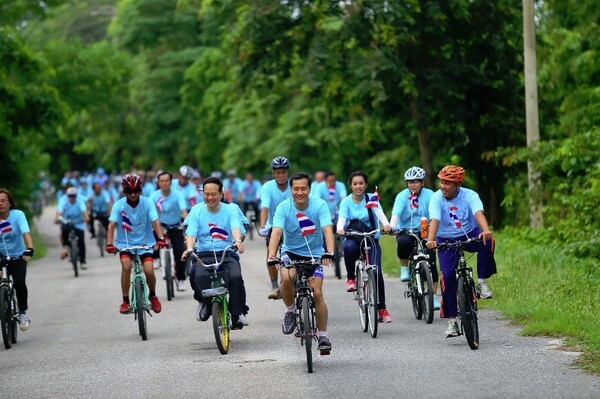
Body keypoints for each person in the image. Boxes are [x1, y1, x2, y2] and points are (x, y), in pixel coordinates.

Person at [425, 165, 496, 338]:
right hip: (445, 238)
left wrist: (485, 230)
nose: (442, 186)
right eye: (441, 182)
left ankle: (481, 282)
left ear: (457, 184)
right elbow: (434, 219)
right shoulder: (436, 198)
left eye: (447, 183)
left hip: (469, 233)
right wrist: (431, 239)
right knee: (448, 276)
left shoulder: (470, 195)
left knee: (488, 241)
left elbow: (478, 212)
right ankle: (452, 321)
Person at [267, 172, 334, 354]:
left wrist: (329, 251)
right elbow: (276, 233)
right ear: (291, 190)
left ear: (309, 189)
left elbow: (328, 229)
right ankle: (290, 311)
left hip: (314, 254)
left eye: (303, 188)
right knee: (286, 278)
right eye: (295, 189)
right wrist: (272, 255)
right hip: (291, 253)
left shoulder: (319, 205)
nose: (299, 192)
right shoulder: (283, 207)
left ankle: (323, 336)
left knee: (317, 293)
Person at [182, 177, 246, 329]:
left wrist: (237, 241)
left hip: (227, 253)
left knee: (236, 277)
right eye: (206, 194)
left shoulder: (230, 209)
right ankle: (205, 303)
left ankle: (237, 313)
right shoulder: (196, 210)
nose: (210, 197)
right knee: (196, 276)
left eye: (214, 194)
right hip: (204, 254)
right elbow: (191, 233)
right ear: (202, 194)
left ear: (221, 194)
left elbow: (235, 226)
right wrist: (190, 248)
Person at [336, 171, 393, 323]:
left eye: (361, 183)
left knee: (377, 272)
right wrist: (340, 228)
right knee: (348, 248)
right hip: (354, 238)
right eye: (355, 184)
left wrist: (386, 225)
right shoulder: (346, 202)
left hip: (371, 239)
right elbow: (342, 218)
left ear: (366, 185)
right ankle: (350, 279)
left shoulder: (371, 198)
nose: (358, 186)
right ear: (350, 186)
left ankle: (382, 309)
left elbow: (379, 213)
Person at [105, 173, 165, 314]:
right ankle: (125, 300)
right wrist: (109, 243)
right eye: (129, 192)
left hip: (145, 243)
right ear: (124, 191)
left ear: (140, 190)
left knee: (149, 270)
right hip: (125, 243)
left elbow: (155, 221)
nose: (133, 195)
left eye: (136, 191)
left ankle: (153, 295)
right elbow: (111, 225)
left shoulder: (147, 202)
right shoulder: (118, 205)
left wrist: (160, 238)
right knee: (126, 266)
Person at [390, 166, 440, 310]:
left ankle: (433, 295)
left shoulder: (430, 194)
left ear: (422, 183)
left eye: (416, 181)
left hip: (425, 230)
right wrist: (393, 227)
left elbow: (435, 213)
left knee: (431, 260)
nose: (412, 184)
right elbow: (396, 214)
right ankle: (404, 268)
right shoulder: (401, 196)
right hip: (405, 230)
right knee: (404, 243)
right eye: (410, 181)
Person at [0, 188, 34, 331]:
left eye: (3, 201)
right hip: (1, 256)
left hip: (18, 255)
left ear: (10, 203)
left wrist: (29, 248)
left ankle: (22, 313)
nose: (0, 203)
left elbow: (25, 232)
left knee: (19, 283)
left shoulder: (18, 215)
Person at [258, 156, 292, 300]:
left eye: (284, 172)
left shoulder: (294, 184)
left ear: (288, 172)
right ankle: (274, 286)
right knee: (271, 254)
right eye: (278, 172)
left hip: (294, 226)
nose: (281, 175)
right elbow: (265, 207)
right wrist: (263, 225)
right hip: (274, 226)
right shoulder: (267, 187)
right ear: (273, 174)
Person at [150, 171, 188, 291]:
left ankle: (181, 279)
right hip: (160, 226)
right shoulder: (154, 196)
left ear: (171, 182)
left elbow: (183, 210)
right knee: (153, 237)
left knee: (180, 251)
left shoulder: (178, 194)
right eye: (162, 181)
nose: (164, 183)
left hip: (175, 226)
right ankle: (156, 258)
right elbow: (150, 213)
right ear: (158, 183)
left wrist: (187, 222)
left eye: (167, 181)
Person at [56, 187, 90, 269]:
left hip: (78, 224)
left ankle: (82, 261)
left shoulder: (80, 202)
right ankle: (65, 248)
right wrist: (58, 218)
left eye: (73, 196)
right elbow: (59, 213)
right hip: (68, 223)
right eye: (70, 196)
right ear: (67, 196)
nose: (72, 198)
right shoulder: (64, 203)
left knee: (81, 241)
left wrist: (86, 217)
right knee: (63, 230)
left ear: (76, 196)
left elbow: (85, 212)